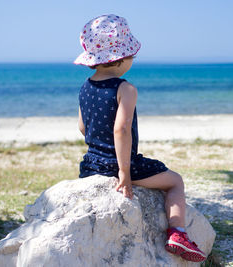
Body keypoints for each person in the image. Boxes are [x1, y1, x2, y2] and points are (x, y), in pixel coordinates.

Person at [73, 14, 206, 262]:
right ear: (122, 59)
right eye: (132, 56)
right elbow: (121, 130)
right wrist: (124, 172)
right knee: (175, 181)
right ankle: (178, 234)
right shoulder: (126, 89)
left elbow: (82, 126)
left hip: (91, 165)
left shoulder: (85, 87)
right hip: (121, 165)